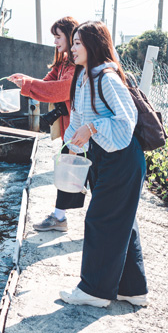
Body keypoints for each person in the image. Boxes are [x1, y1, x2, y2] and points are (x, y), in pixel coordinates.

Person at [58, 21, 148, 308]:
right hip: (107, 158)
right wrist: (71, 146)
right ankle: (132, 289)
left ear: (94, 45)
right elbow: (79, 121)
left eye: (78, 44)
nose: (72, 49)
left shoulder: (105, 78)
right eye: (72, 43)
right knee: (122, 222)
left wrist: (92, 130)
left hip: (121, 159)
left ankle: (94, 291)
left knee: (101, 220)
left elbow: (126, 121)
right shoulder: (86, 76)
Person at [8, 16, 81, 232]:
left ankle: (62, 217)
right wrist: (25, 79)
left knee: (80, 174)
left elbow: (58, 90)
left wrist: (28, 85)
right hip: (74, 130)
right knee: (71, 172)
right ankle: (60, 217)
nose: (55, 42)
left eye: (58, 37)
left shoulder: (76, 64)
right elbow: (48, 83)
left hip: (82, 130)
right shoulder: (63, 62)